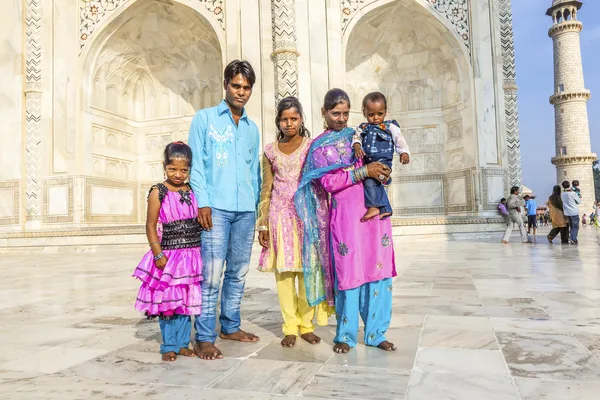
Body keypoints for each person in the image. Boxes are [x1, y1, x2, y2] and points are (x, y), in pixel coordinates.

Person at [295, 88, 396, 354]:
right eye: (335, 113)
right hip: (346, 218)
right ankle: (346, 335)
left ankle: (376, 333)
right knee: (349, 272)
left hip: (375, 215)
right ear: (324, 113)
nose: (340, 119)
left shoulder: (360, 136)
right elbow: (328, 182)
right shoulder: (320, 146)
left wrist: (383, 173)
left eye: (345, 113)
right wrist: (363, 171)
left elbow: (383, 164)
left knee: (378, 270)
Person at [188, 60, 261, 360]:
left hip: (245, 210)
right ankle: (204, 336)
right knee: (211, 274)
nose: (241, 92)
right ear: (225, 85)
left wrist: (256, 207)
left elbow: (253, 170)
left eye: (246, 87)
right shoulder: (205, 120)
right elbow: (196, 166)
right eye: (236, 85)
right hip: (215, 208)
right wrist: (202, 202)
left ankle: (230, 325)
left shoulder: (251, 128)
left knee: (239, 272)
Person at [256, 97, 330, 347]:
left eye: (293, 118)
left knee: (309, 271)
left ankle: (306, 325)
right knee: (285, 275)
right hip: (280, 217)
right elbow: (265, 189)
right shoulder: (269, 150)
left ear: (301, 120)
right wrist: (263, 224)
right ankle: (289, 326)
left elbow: (322, 181)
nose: (289, 123)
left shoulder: (312, 147)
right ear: (278, 121)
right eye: (284, 119)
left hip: (306, 215)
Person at [132, 142, 203, 362]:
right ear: (164, 166)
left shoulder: (192, 190)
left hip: (190, 255)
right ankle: (169, 345)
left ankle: (183, 344)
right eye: (173, 169)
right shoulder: (158, 191)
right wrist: (157, 254)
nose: (178, 174)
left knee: (184, 301)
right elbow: (150, 225)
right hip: (169, 256)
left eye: (183, 170)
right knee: (168, 303)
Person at [351, 92, 410, 221]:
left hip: (383, 161)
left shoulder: (390, 126)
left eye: (379, 114)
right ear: (364, 113)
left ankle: (374, 206)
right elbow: (356, 138)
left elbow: (399, 139)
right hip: (369, 162)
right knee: (374, 181)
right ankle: (386, 208)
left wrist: (404, 152)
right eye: (371, 114)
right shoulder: (363, 127)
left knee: (370, 181)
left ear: (385, 112)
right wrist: (357, 147)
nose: (376, 118)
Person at [561, 180, 581, 245]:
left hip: (567, 212)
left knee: (572, 226)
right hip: (574, 212)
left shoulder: (562, 194)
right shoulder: (573, 193)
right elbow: (579, 201)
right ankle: (573, 238)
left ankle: (573, 238)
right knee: (575, 226)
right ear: (569, 185)